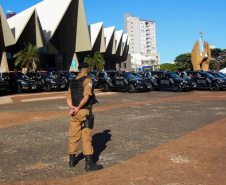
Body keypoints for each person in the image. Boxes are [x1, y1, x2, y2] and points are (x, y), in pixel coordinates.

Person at [66, 62, 103, 171]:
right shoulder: (88, 81)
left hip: (74, 113)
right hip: (84, 111)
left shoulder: (72, 82)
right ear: (88, 70)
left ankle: (72, 161)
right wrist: (78, 108)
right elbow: (86, 98)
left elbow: (68, 98)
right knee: (86, 137)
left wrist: (72, 107)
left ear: (79, 70)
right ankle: (89, 164)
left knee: (73, 136)